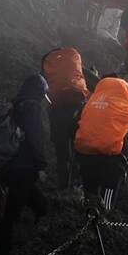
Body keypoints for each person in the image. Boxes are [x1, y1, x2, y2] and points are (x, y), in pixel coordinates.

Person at [73, 77, 128, 212]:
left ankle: (89, 212)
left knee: (90, 190)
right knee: (109, 188)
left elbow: (75, 126)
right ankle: (105, 215)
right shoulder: (126, 108)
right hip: (112, 157)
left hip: (86, 153)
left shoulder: (90, 103)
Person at [0, 74, 48, 255]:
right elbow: (34, 137)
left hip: (7, 164)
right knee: (11, 213)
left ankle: (39, 234)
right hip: (23, 167)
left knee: (40, 204)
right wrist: (41, 165)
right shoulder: (32, 106)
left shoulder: (14, 104)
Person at [42, 48, 90, 189]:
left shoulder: (47, 63)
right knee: (79, 148)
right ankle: (76, 183)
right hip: (78, 108)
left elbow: (44, 88)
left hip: (57, 111)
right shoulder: (75, 64)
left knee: (62, 152)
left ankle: (63, 185)